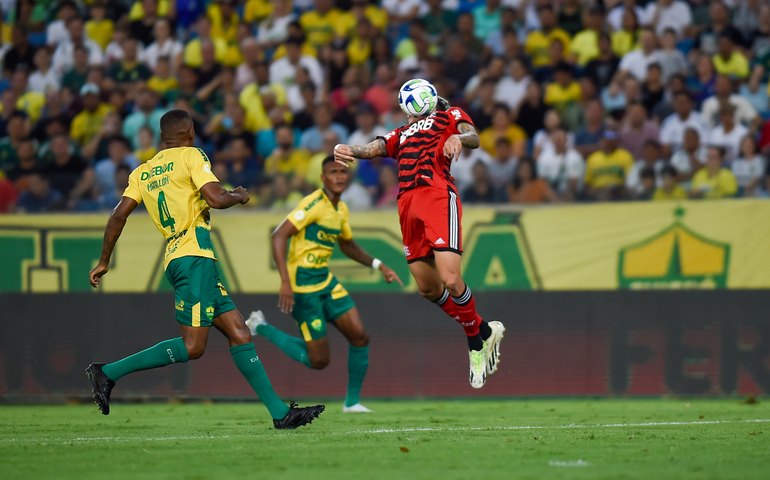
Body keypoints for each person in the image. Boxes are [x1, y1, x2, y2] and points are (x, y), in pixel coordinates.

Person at [85, 110, 324, 429]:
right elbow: (214, 197)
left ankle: (281, 413)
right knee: (193, 346)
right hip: (193, 256)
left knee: (239, 331)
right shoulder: (191, 156)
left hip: (179, 256)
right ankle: (107, 372)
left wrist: (104, 260)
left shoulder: (143, 172)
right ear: (190, 133)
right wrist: (237, 195)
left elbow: (117, 216)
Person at [333, 89, 505, 389]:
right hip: (407, 205)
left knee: (451, 279)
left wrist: (458, 138)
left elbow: (473, 137)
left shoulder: (449, 116)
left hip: (437, 196)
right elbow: (374, 148)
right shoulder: (401, 132)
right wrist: (349, 148)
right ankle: (483, 330)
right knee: (427, 288)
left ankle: (475, 344)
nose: (407, 110)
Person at [246, 156, 402, 413]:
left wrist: (378, 265)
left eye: (343, 171)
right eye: (333, 172)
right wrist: (285, 281)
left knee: (360, 337)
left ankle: (351, 403)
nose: (339, 176)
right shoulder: (313, 204)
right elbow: (278, 235)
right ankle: (260, 327)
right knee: (319, 361)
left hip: (326, 283)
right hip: (304, 289)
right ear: (323, 178)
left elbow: (347, 245)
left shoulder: (341, 209)